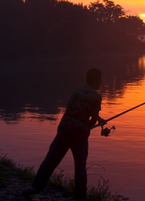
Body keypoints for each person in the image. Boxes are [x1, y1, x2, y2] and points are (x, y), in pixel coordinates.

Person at [22, 68, 106, 200]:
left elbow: (77, 109)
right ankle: (80, 196)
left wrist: (97, 120)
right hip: (79, 133)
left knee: (51, 159)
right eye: (100, 80)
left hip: (64, 128)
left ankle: (35, 187)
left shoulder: (77, 91)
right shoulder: (96, 97)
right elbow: (92, 119)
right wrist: (88, 127)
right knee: (80, 165)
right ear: (97, 81)